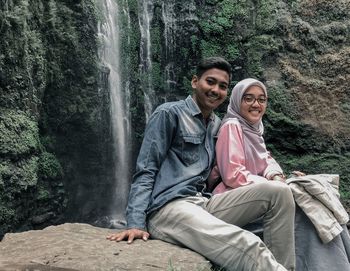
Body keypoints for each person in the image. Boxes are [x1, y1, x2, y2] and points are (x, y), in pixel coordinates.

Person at [107, 57, 294, 271]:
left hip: (204, 204)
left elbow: (252, 158)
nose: (216, 90)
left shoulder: (217, 125)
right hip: (168, 208)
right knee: (248, 243)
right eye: (210, 82)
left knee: (279, 192)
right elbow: (146, 170)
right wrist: (135, 223)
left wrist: (277, 175)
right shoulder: (169, 114)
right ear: (195, 82)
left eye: (222, 86)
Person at [209, 78, 350, 271]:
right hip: (237, 200)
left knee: (314, 202)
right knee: (305, 212)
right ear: (236, 101)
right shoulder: (232, 126)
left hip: (263, 196)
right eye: (248, 99)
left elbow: (265, 160)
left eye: (261, 99)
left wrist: (277, 175)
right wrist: (279, 186)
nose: (256, 104)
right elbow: (233, 175)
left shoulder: (255, 129)